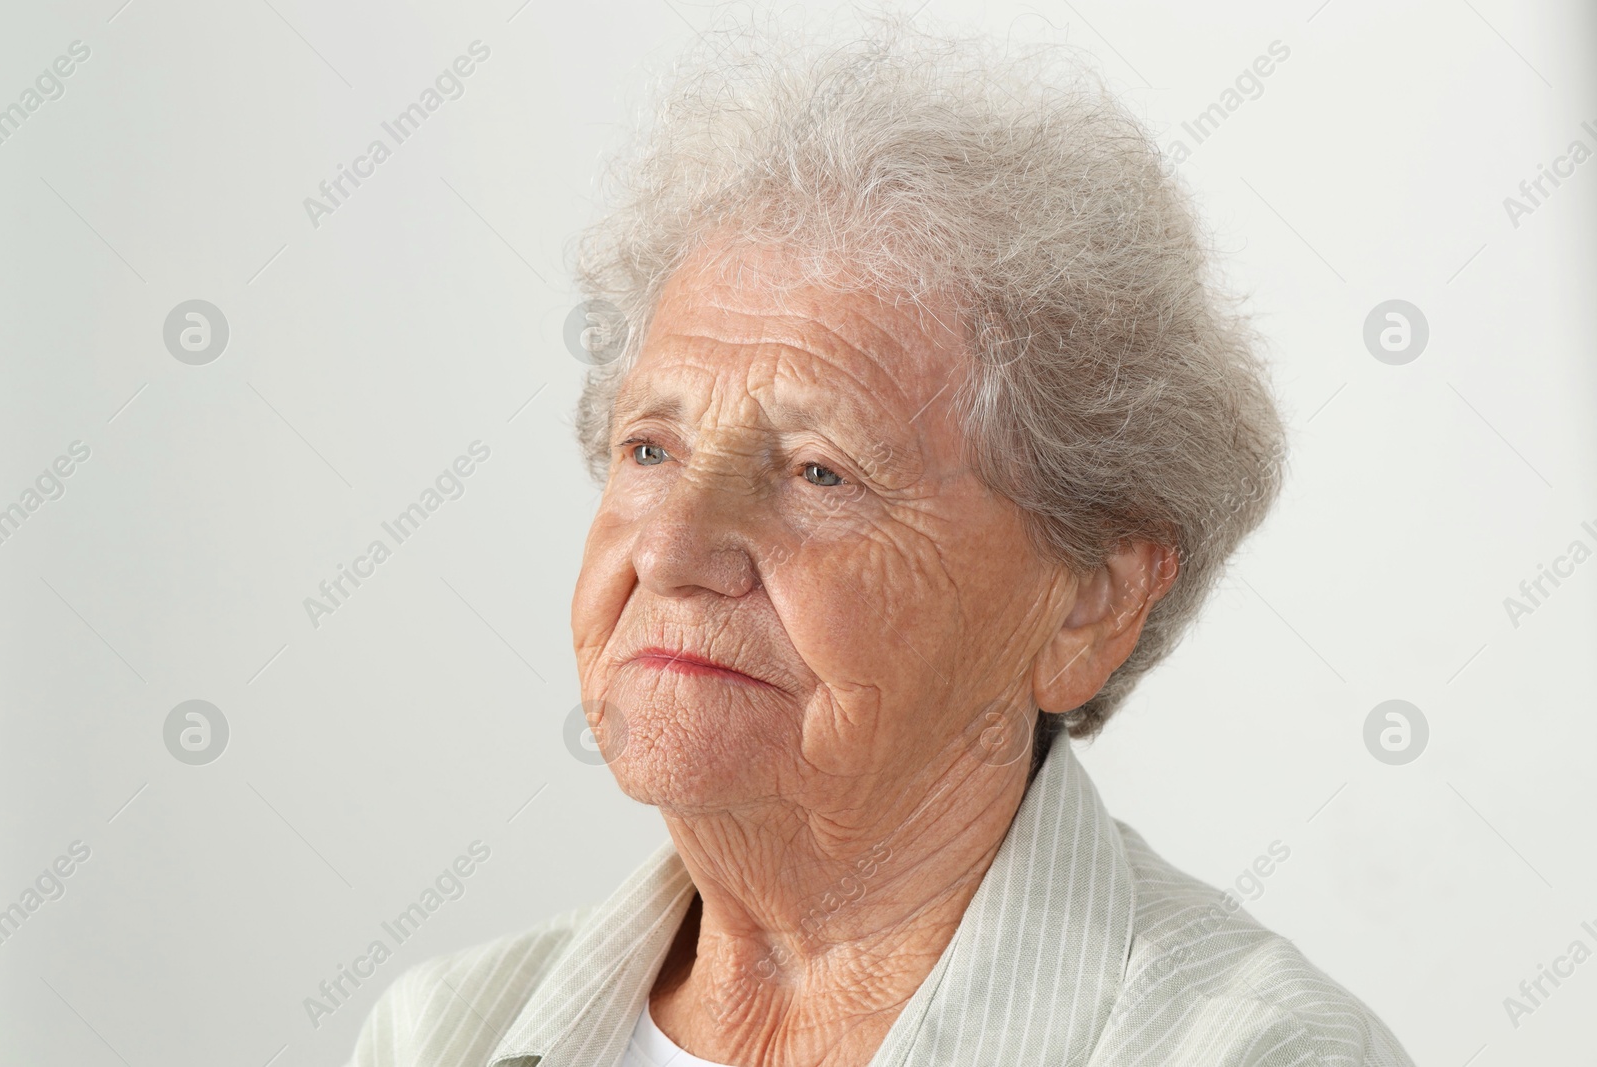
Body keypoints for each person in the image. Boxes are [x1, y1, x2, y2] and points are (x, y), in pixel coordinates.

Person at [345, 12, 1413, 1066]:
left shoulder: (1252, 1050)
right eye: (649, 449)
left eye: (820, 473)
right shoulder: (439, 1031)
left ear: (1089, 602)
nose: (671, 550)